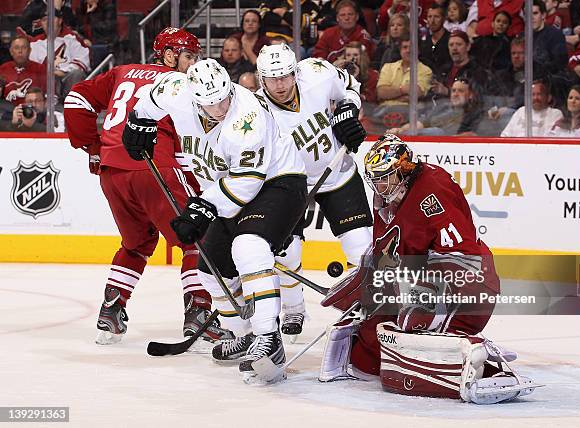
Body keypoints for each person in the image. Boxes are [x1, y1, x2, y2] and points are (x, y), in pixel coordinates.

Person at [317, 135, 535, 404]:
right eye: (375, 179)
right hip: (422, 284)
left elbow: (459, 259)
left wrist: (417, 293)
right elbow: (386, 251)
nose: (379, 184)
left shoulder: (433, 191)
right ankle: (437, 349)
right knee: (368, 350)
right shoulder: (386, 196)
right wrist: (365, 279)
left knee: (412, 324)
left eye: (386, 177)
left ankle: (482, 364)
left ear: (405, 170)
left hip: (467, 284)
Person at [126, 58, 308, 380]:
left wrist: (202, 207)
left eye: (224, 99)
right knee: (210, 269)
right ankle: (243, 335)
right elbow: (151, 98)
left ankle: (268, 336)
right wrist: (138, 121)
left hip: (278, 182)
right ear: (195, 99)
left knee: (248, 246)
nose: (220, 108)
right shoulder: (178, 91)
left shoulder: (247, 116)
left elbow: (246, 182)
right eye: (211, 105)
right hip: (226, 187)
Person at [62, 28, 231, 348]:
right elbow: (185, 146)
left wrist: (93, 146)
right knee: (198, 235)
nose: (195, 64)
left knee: (137, 242)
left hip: (112, 172)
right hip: (156, 167)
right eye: (190, 56)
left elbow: (76, 98)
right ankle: (198, 313)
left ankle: (111, 310)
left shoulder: (122, 72)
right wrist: (200, 190)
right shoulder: (181, 84)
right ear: (168, 55)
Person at [255, 43, 371, 341]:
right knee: (287, 252)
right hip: (289, 186)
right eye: (272, 78)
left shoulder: (317, 73)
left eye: (285, 76)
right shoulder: (255, 112)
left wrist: (347, 110)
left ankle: (367, 311)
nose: (279, 85)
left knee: (362, 250)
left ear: (295, 72)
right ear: (261, 79)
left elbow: (351, 87)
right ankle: (294, 307)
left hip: (337, 174)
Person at [29, 7, 90, 101]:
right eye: (45, 20)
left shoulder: (72, 39)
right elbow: (32, 67)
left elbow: (82, 63)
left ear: (60, 20)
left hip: (67, 82)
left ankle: (73, 108)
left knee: (77, 74)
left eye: (52, 18)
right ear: (41, 23)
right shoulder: (35, 43)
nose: (48, 22)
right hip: (46, 84)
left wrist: (60, 72)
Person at [0, 35, 47, 109]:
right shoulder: (3, 69)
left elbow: (50, 98)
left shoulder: (40, 69)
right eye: (16, 48)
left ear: (29, 51)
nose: (20, 51)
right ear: (11, 52)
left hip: (33, 113)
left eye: (24, 48)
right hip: (8, 114)